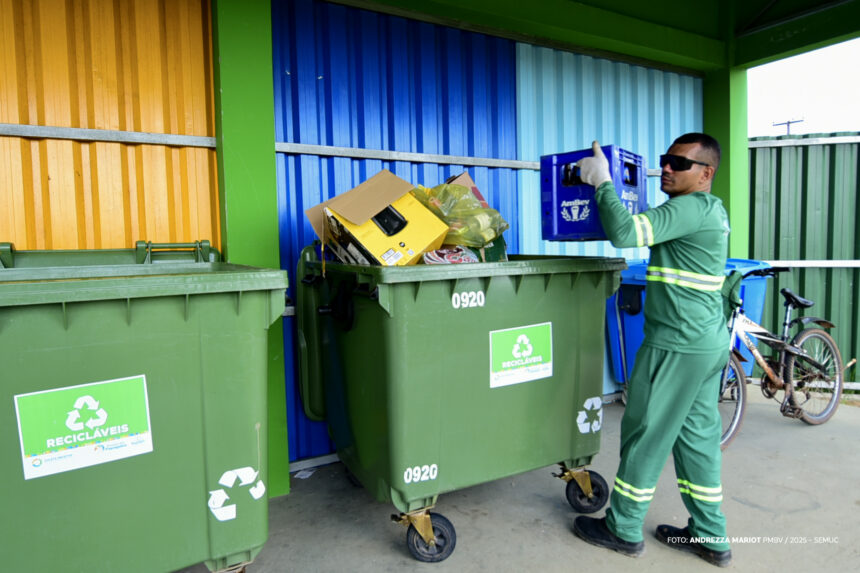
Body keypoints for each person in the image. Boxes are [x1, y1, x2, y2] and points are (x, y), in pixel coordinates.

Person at [572, 134, 733, 567]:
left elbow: (624, 233)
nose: (667, 168)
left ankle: (622, 529)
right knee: (697, 442)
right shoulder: (711, 210)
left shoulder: (684, 209)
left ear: (705, 173)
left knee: (646, 433)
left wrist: (603, 183)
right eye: (666, 160)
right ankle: (710, 535)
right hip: (706, 343)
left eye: (679, 163)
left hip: (677, 345)